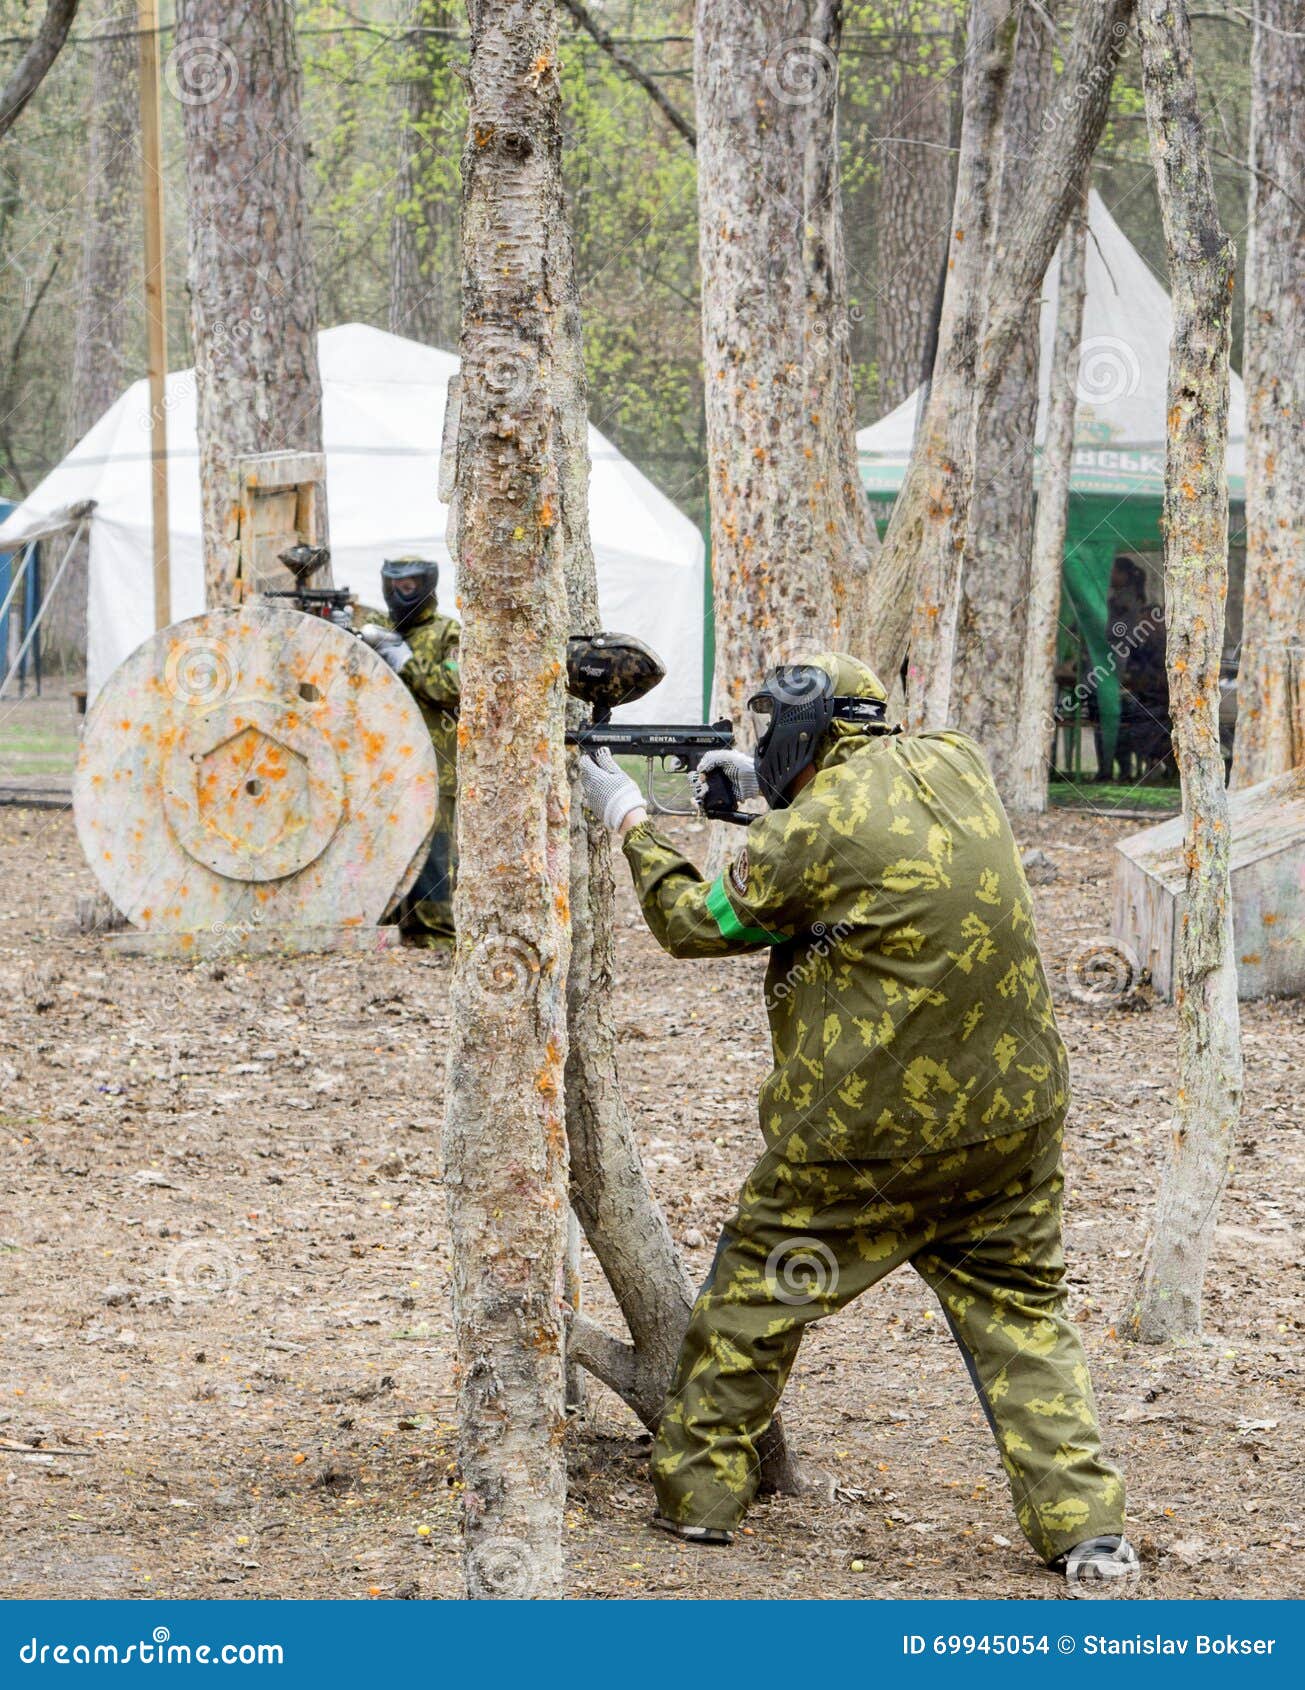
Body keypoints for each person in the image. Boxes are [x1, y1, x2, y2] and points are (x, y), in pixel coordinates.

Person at [577, 651, 1138, 1593]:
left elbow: (695, 922)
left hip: (862, 1148)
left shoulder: (806, 837)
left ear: (803, 727)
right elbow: (884, 845)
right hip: (1011, 1131)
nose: (762, 740)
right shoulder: (957, 763)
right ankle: (1089, 1534)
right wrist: (760, 790)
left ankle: (699, 1505)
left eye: (769, 730)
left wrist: (628, 815)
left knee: (751, 1305)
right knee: (1023, 1322)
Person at [360, 557, 460, 947]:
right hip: (382, 764)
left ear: (428, 584)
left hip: (436, 764)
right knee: (382, 843)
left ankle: (434, 935)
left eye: (413, 584)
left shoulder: (447, 632)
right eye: (399, 585)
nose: (406, 591)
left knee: (434, 854)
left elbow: (454, 687)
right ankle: (385, 923)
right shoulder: (379, 631)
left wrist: (406, 661)